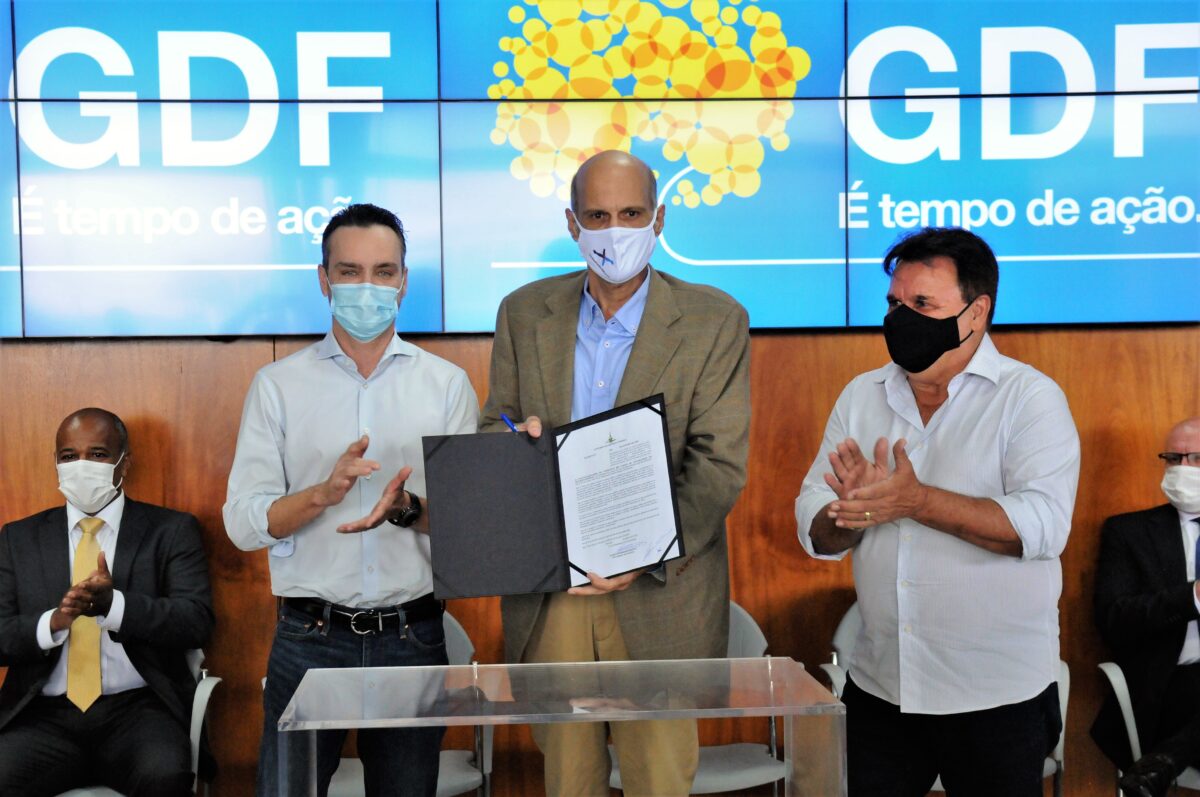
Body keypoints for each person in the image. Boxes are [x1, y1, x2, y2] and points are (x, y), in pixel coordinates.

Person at [480, 149, 751, 796]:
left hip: (660, 591)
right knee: (568, 780)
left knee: (659, 779)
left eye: (630, 213)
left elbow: (717, 466)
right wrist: (519, 446)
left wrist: (641, 550)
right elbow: (496, 426)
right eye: (597, 215)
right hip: (556, 593)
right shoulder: (523, 312)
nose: (614, 231)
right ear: (572, 224)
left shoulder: (715, 319)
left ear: (658, 219)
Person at [794, 227, 1080, 796]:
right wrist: (847, 515)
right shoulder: (861, 395)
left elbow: (1043, 526)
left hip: (998, 694)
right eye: (894, 304)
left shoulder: (1030, 398)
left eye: (922, 305)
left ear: (977, 312)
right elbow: (814, 525)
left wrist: (916, 502)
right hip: (882, 685)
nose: (901, 318)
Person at [224, 203, 479, 797]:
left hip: (412, 639)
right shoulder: (278, 386)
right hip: (309, 638)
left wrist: (406, 508)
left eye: (384, 272)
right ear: (324, 279)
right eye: (350, 271)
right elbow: (242, 524)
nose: (368, 287)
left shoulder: (446, 385)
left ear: (403, 281)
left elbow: (470, 527)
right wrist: (320, 494)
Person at [0, 407, 214, 797]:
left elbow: (195, 620)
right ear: (56, 464)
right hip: (44, 716)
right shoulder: (18, 538)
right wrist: (55, 622)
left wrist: (114, 606)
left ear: (123, 463)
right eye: (69, 456)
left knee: (166, 777)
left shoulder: (171, 530)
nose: (81, 466)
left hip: (137, 710)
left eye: (97, 454)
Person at [1093, 417, 1200, 797]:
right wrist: (1194, 596)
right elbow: (1113, 619)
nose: (1183, 469)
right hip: (1170, 688)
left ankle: (1162, 765)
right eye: (1174, 458)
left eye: (1197, 459)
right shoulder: (1130, 532)